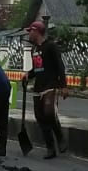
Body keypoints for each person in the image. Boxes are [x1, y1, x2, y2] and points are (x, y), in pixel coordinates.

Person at [25, 20, 68, 157]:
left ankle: (60, 136)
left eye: (30, 31)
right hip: (39, 85)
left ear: (36, 31)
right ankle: (50, 147)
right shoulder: (34, 49)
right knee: (40, 117)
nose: (29, 34)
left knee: (49, 112)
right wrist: (28, 74)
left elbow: (60, 66)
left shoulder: (51, 47)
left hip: (51, 84)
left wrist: (63, 86)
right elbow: (37, 68)